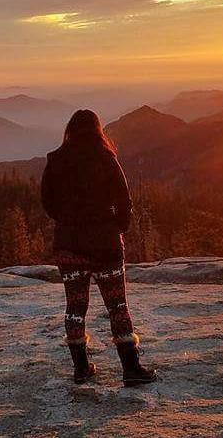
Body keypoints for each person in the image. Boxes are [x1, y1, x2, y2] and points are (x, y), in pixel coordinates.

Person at [41, 109, 158, 386]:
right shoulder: (106, 158)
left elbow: (48, 202)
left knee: (75, 307)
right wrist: (118, 227)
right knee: (117, 305)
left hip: (69, 245)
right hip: (105, 244)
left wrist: (67, 223)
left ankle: (81, 369)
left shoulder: (56, 161)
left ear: (70, 130)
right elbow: (124, 199)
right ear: (97, 130)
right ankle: (130, 368)